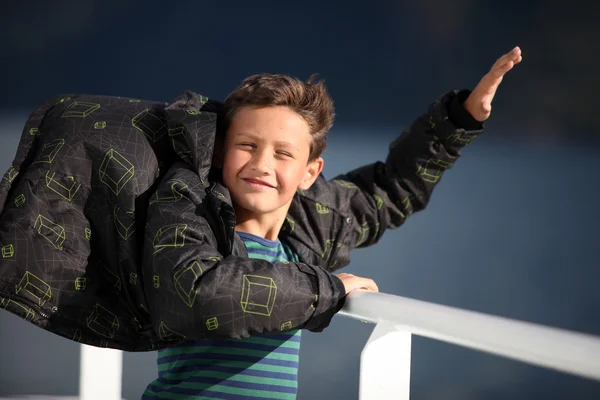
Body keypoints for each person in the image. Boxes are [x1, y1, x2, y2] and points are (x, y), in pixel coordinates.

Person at [0, 46, 520, 399]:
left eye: (283, 153)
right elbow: (197, 292)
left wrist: (459, 120)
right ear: (222, 151)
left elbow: (388, 191)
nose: (262, 165)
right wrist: (328, 290)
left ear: (310, 171)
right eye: (247, 145)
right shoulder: (189, 208)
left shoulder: (309, 228)